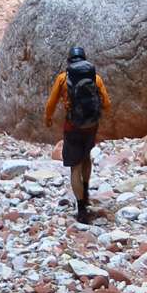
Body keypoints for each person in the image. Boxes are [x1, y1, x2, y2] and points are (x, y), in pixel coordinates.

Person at [44, 45, 111, 222]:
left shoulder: (63, 79)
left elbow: (51, 103)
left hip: (72, 126)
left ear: (69, 61)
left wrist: (48, 118)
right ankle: (86, 191)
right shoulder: (95, 78)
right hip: (91, 126)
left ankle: (81, 209)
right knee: (86, 156)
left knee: (75, 166)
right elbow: (107, 104)